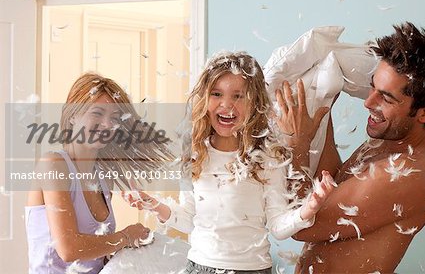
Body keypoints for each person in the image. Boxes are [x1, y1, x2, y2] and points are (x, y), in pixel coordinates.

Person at [123, 51, 335, 273]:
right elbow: (187, 219)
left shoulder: (268, 157)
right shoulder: (194, 154)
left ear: (255, 103)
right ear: (205, 99)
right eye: (216, 94)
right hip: (199, 267)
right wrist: (153, 204)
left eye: (238, 96)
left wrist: (309, 208)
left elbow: (278, 226)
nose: (226, 104)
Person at [276, 22, 425, 273]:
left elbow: (303, 227)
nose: (368, 102)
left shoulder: (405, 173)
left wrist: (298, 143)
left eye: (386, 97)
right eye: (372, 86)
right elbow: (331, 184)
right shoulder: (388, 139)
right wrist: (323, 108)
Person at [25, 73, 172, 273]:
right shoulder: (54, 165)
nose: (107, 124)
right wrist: (126, 236)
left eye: (114, 118)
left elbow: (95, 254)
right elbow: (69, 249)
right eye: (97, 113)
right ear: (73, 114)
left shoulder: (102, 178)